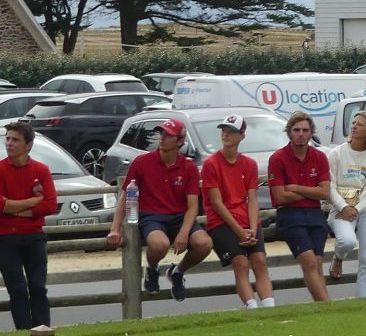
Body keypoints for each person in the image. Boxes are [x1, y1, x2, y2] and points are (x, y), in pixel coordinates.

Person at [107, 115, 214, 303]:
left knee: (204, 244)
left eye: (168, 135)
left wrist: (183, 233)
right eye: (161, 134)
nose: (162, 138)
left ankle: (177, 272)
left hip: (179, 216)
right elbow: (125, 197)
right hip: (151, 216)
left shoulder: (188, 167)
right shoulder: (142, 162)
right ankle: (152, 268)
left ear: (179, 141)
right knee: (159, 244)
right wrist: (115, 229)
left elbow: (192, 206)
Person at [201, 114, 272, 308]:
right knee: (240, 263)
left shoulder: (249, 164)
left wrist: (252, 228)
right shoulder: (211, 164)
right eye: (224, 131)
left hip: (246, 220)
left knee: (260, 261)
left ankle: (269, 306)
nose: (226, 135)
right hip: (221, 222)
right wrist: (240, 231)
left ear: (242, 136)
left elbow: (252, 199)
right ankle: (252, 307)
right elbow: (216, 203)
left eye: (231, 131)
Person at [268, 112, 333, 304]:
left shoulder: (319, 157)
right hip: (290, 215)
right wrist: (312, 191)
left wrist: (296, 188)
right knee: (310, 263)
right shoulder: (278, 158)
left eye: (305, 130)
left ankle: (322, 308)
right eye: (296, 130)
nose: (301, 134)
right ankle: (329, 307)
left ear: (311, 132)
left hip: (315, 214)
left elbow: (325, 192)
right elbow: (280, 196)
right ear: (289, 132)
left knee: (317, 264)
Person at [326, 111, 366, 298]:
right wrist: (343, 207)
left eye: (360, 124)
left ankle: (362, 302)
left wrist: (357, 209)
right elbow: (330, 186)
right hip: (341, 206)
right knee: (347, 241)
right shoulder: (336, 154)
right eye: (353, 123)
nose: (354, 127)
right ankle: (339, 257)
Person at [0, 119, 57, 329]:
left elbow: (50, 204)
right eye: (7, 139)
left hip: (34, 236)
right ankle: (24, 334)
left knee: (38, 288)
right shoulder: (0, 169)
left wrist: (16, 210)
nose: (9, 143)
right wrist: (32, 202)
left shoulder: (41, 170)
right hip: (5, 238)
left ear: (28, 145)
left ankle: (43, 334)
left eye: (15, 140)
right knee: (17, 290)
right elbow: (1, 205)